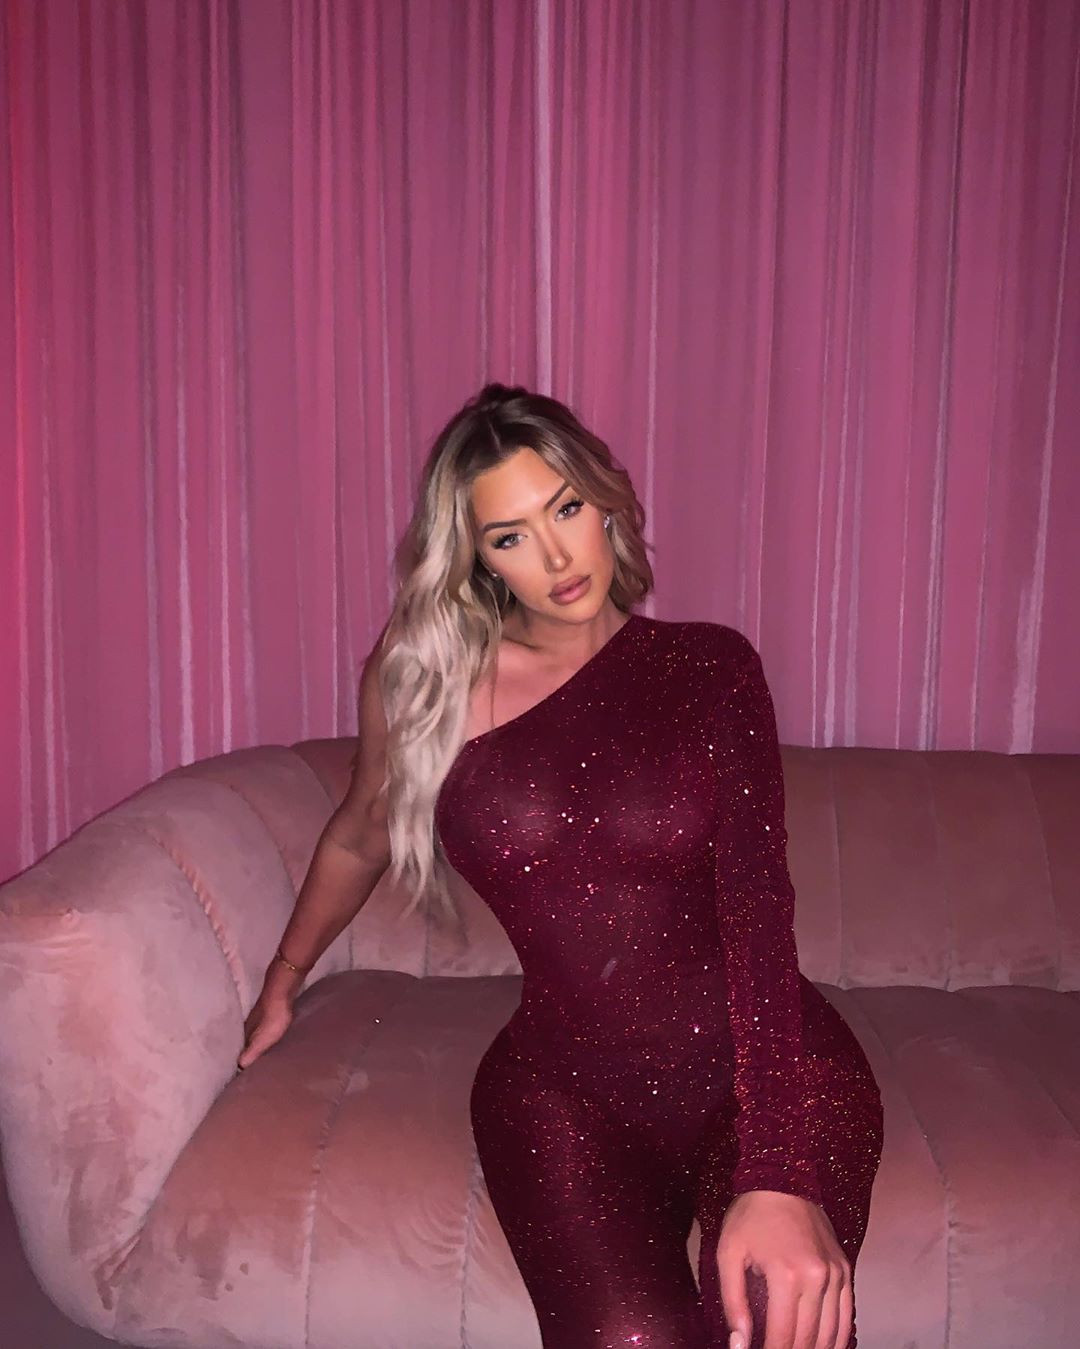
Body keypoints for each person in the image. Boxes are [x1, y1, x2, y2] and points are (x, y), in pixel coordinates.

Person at [238, 384, 884, 1349]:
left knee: (759, 1322)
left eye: (566, 508)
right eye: (509, 535)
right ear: (475, 555)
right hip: (563, 1085)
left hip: (762, 1065)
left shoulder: (711, 668)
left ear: (607, 494)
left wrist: (778, 1169)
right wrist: (282, 978)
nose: (553, 557)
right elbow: (361, 832)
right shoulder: (424, 681)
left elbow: (758, 907)